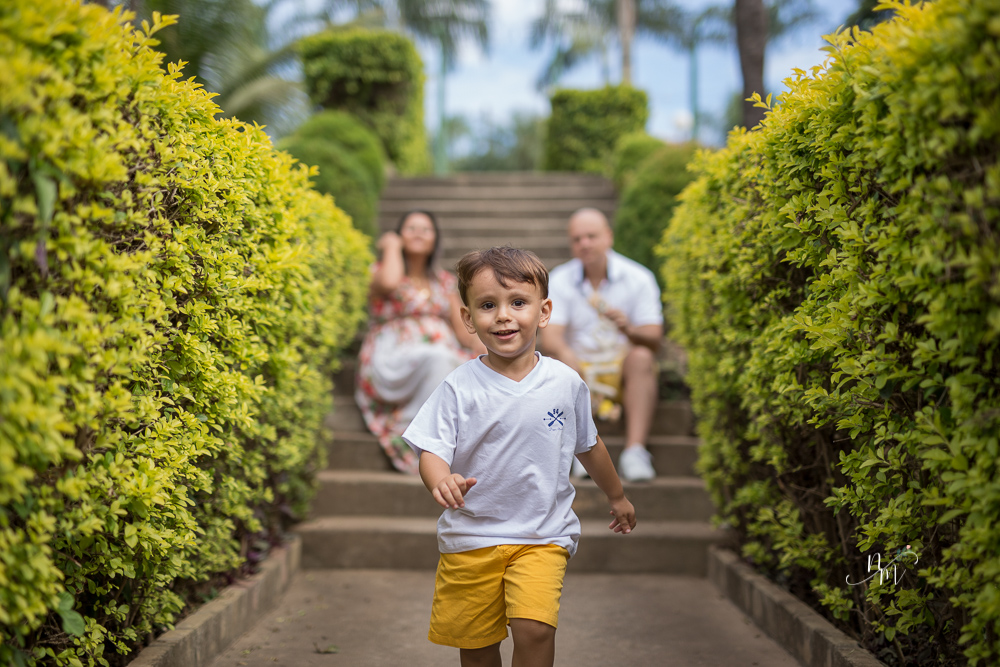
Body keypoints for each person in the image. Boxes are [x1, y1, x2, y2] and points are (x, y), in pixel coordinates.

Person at [402, 246, 636, 667]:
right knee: (476, 646)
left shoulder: (564, 383)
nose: (504, 315)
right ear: (468, 319)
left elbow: (589, 444)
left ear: (543, 311)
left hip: (542, 534)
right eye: (488, 305)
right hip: (471, 538)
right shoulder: (459, 386)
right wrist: (440, 478)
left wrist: (616, 496)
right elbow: (431, 448)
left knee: (535, 627)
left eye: (518, 303)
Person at [355, 210, 485, 474]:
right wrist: (390, 245)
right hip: (392, 357)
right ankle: (418, 437)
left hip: (441, 355)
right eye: (410, 227)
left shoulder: (444, 282)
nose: (418, 233)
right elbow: (391, 282)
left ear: (435, 239)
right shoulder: (382, 272)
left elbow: (463, 330)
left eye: (425, 229)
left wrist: (483, 351)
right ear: (399, 234)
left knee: (467, 369)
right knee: (438, 359)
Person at [540, 208, 663, 482]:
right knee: (562, 359)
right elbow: (551, 337)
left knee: (642, 357)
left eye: (591, 236)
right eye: (577, 239)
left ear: (609, 237)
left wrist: (628, 328)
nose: (584, 244)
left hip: (621, 369)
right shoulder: (559, 279)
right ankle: (582, 449)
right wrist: (566, 355)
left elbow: (654, 338)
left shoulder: (638, 277)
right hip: (579, 370)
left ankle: (635, 450)